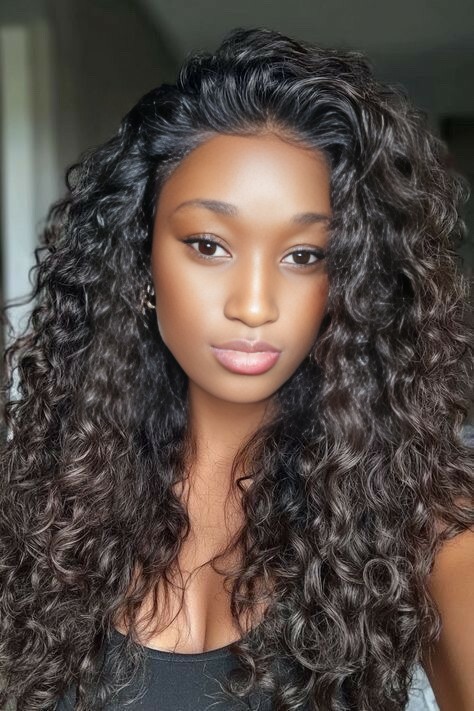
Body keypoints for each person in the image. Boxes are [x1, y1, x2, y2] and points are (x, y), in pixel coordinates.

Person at [0, 25, 473, 711]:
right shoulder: (35, 509)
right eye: (208, 244)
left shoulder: (423, 524)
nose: (254, 304)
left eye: (304, 256)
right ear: (141, 258)